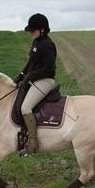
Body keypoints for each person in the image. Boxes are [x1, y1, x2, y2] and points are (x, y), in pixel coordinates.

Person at [14, 13, 57, 154]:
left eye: (33, 30)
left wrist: (31, 76)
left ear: (42, 29)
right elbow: (31, 62)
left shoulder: (48, 45)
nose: (31, 33)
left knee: (26, 108)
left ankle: (33, 143)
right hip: (35, 79)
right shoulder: (37, 42)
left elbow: (48, 69)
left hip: (46, 80)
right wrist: (21, 75)